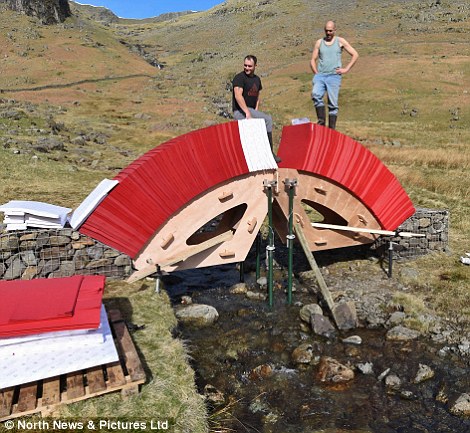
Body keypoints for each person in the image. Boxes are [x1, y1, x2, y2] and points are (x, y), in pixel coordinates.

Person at [310, 20, 358, 130]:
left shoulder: (340, 41)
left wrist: (346, 69)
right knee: (316, 94)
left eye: (330, 31)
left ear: (334, 30)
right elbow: (313, 59)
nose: (328, 33)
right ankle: (321, 123)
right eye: (326, 31)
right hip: (321, 75)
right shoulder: (319, 42)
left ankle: (331, 129)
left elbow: (355, 54)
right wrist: (316, 72)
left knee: (333, 103)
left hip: (334, 76)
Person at [232, 55, 281, 162]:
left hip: (251, 110)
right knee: (267, 120)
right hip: (240, 111)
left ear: (255, 66)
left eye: (250, 66)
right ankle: (269, 153)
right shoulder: (239, 78)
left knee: (263, 123)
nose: (247, 68)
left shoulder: (257, 79)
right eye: (245, 65)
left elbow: (257, 96)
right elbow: (238, 95)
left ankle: (266, 153)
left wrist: (255, 110)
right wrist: (247, 113)